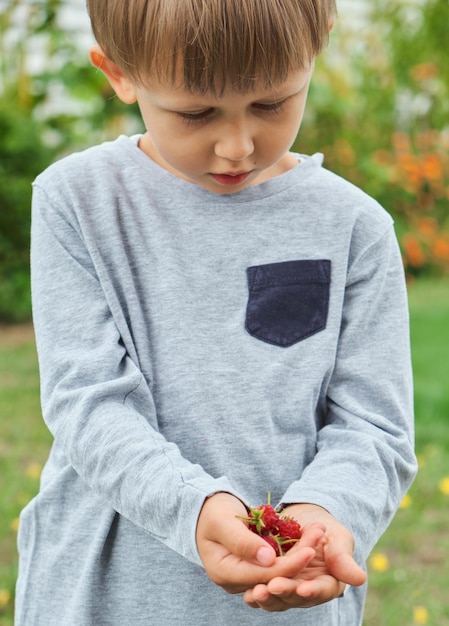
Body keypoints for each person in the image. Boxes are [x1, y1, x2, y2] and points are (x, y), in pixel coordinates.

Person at [15, 1, 417, 624]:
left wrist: (319, 518)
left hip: (291, 598)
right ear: (118, 73)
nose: (237, 145)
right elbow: (87, 402)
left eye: (271, 104)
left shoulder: (355, 228)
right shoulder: (76, 203)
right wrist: (196, 509)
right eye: (196, 113)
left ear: (317, 48)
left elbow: (374, 428)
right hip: (103, 598)